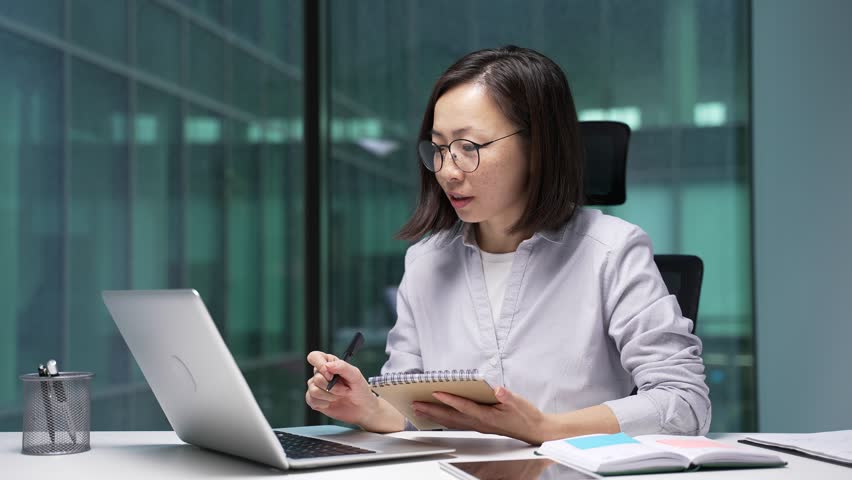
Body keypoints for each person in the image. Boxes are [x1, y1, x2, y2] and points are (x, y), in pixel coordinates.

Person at [305, 45, 710, 445]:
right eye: (439, 148)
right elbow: (416, 410)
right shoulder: (425, 261)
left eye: (469, 148)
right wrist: (369, 407)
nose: (447, 171)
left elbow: (684, 402)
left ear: (537, 148)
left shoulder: (611, 250)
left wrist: (544, 429)